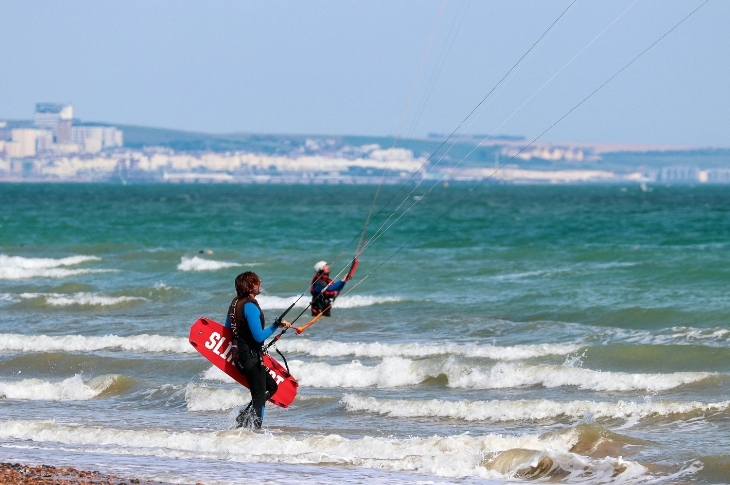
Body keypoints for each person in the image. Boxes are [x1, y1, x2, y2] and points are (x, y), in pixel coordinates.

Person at [225, 271, 291, 429]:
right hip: (251, 358)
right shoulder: (249, 306)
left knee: (272, 387)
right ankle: (254, 432)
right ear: (249, 286)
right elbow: (259, 337)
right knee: (259, 397)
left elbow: (228, 329)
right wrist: (276, 325)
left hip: (241, 357)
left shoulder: (234, 304)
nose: (259, 283)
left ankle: (244, 419)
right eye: (256, 281)